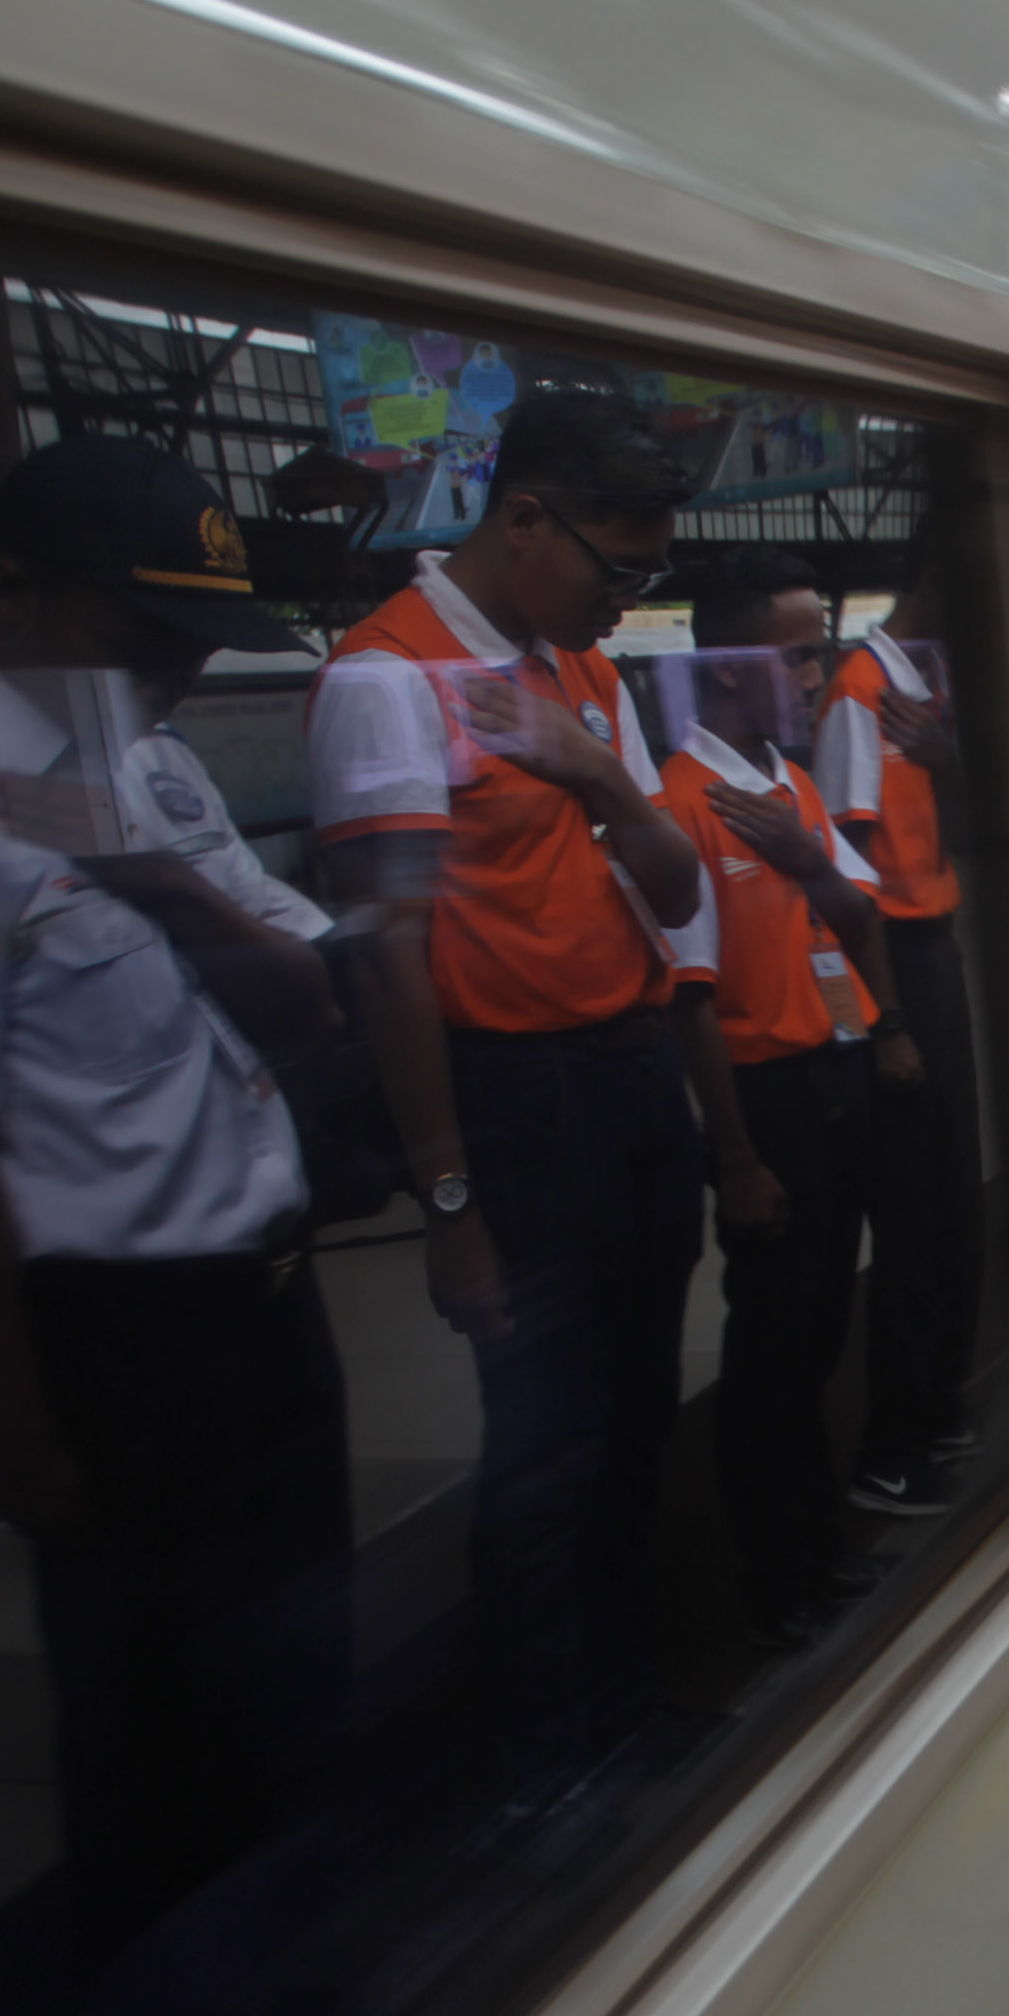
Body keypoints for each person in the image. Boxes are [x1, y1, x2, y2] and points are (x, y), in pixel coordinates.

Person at [0, 434, 351, 1939]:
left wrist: (153, 875)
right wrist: (27, 1424)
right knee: (155, 1752)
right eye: (144, 634)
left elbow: (309, 1002)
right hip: (125, 1354)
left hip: (272, 1307)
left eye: (191, 642)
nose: (174, 672)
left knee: (301, 1707)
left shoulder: (144, 757)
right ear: (19, 590)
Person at [308, 387, 704, 1779]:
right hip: (512, 1104)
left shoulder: (581, 675)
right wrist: (450, 1195)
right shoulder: (387, 676)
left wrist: (604, 777)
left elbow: (674, 882)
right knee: (546, 1446)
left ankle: (628, 1695)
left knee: (638, 1414)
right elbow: (389, 960)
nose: (627, 600)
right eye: (620, 569)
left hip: (629, 1075)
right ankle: (547, 1759)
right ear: (523, 517)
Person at [658, 554, 922, 1649]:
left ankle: (815, 1548)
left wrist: (809, 859)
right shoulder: (684, 806)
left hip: (835, 1072)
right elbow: (690, 1000)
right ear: (725, 671)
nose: (816, 673)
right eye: (797, 651)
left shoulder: (790, 786)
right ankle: (777, 1578)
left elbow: (856, 923)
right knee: (770, 1351)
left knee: (818, 1333)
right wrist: (735, 1158)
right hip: (763, 1098)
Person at [822, 550, 986, 1517]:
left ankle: (939, 1401)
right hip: (899, 966)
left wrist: (944, 759)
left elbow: (959, 828)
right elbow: (847, 881)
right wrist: (879, 1018)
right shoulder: (861, 692)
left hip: (937, 949)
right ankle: (894, 1441)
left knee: (954, 1198)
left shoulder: (930, 698)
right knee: (916, 1209)